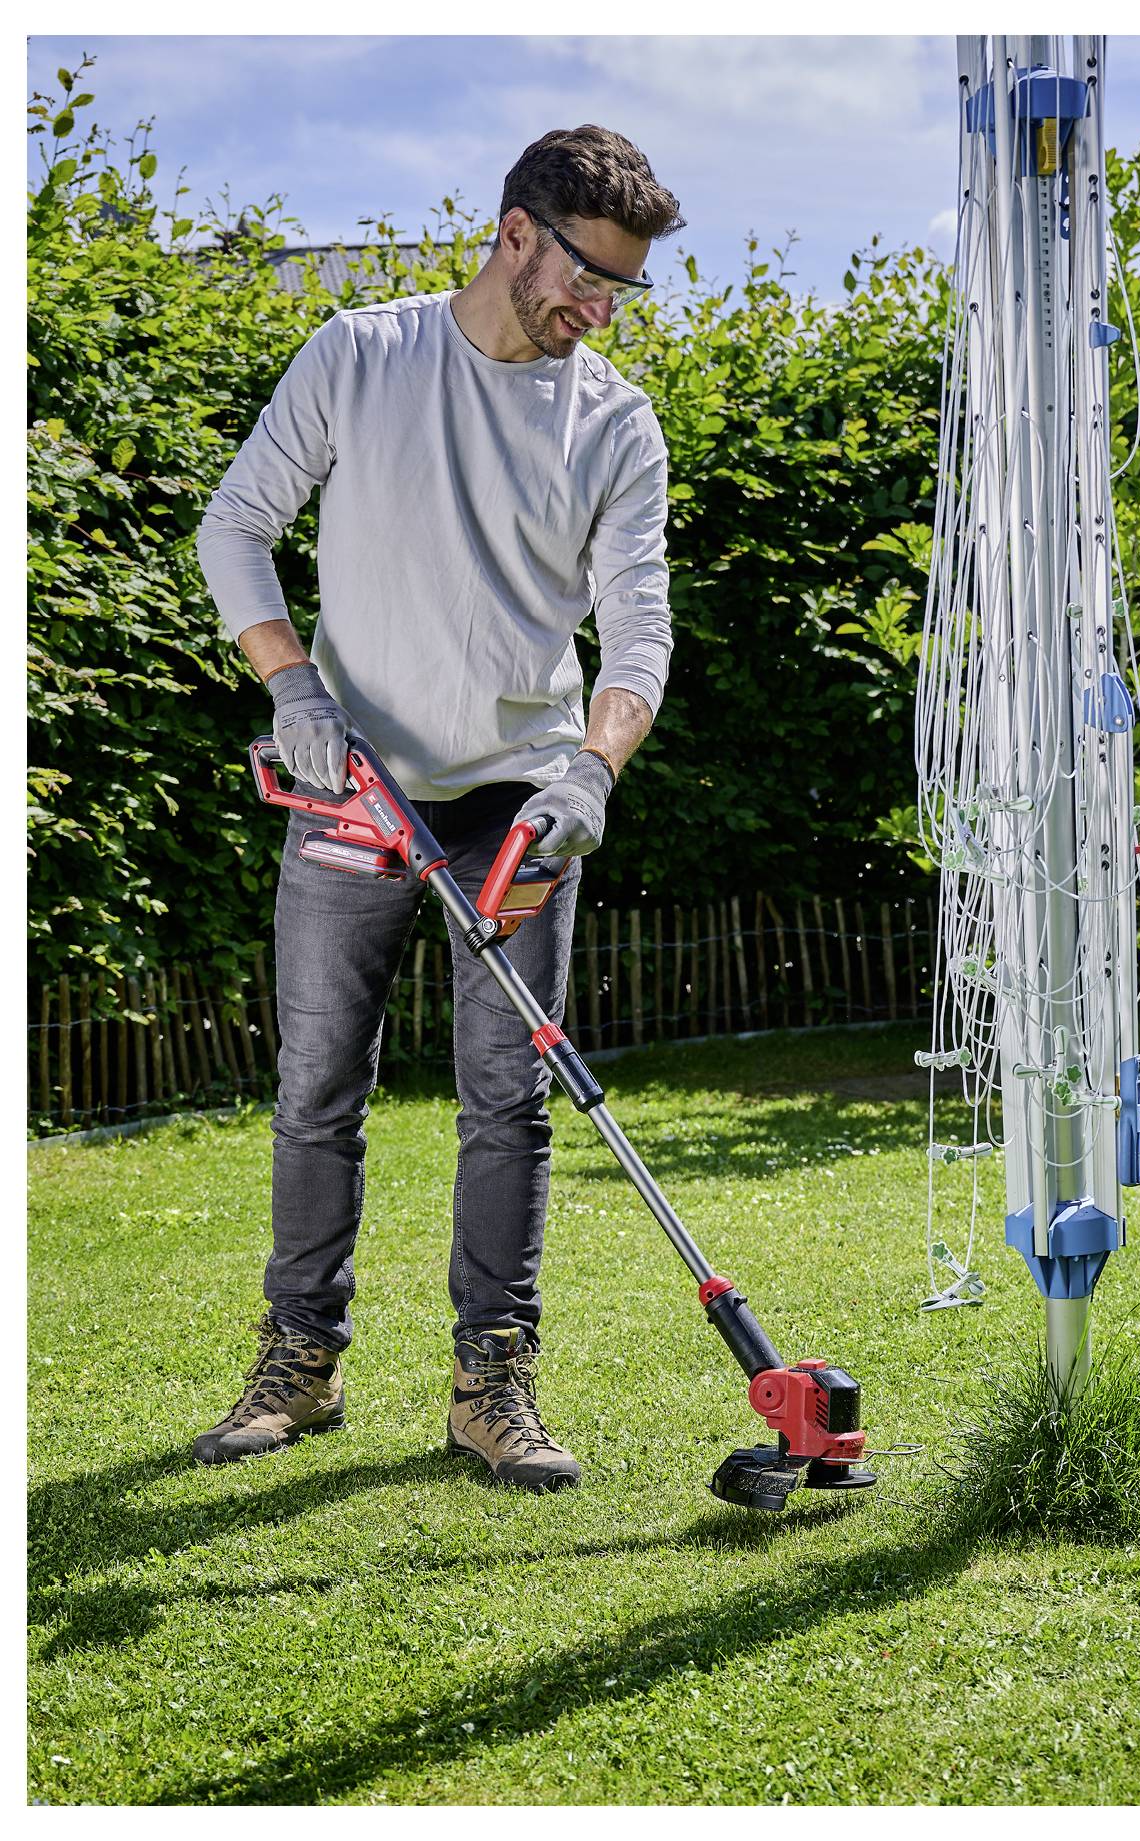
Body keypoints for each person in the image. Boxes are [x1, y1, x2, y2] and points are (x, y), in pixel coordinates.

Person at [192, 125, 683, 1491]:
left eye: (623, 292)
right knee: (315, 1087)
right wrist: (292, 686)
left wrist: (591, 771)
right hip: (353, 787)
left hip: (522, 800)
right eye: (590, 276)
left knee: (507, 1099)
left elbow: (637, 636)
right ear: (516, 229)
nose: (601, 310)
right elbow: (234, 525)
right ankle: (299, 1358)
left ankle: (493, 1381)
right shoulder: (363, 354)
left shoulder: (613, 422)